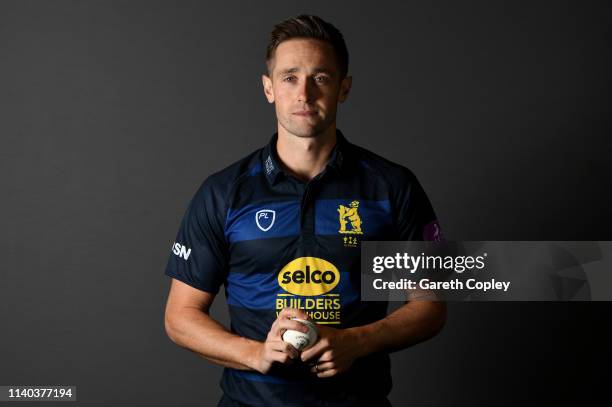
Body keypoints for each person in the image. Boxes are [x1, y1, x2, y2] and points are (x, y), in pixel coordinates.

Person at [164, 14, 446, 407]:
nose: (304, 94)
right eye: (289, 77)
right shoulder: (224, 193)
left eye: (321, 78)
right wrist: (254, 353)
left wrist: (355, 341)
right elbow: (180, 316)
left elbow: (430, 304)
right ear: (268, 88)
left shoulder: (391, 186)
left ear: (343, 88)